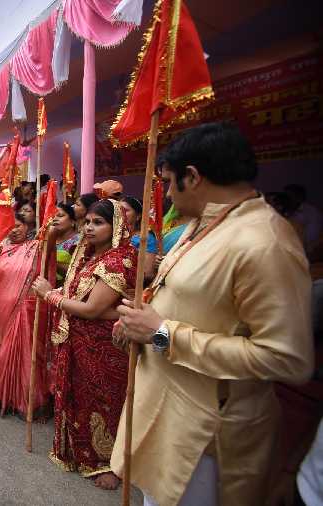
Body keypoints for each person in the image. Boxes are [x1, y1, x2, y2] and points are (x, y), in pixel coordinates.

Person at [112, 122, 313, 506]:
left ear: (193, 176)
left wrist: (163, 334)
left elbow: (288, 359)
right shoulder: (202, 225)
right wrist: (139, 322)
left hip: (206, 433)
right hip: (165, 411)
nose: (168, 194)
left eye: (170, 183)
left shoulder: (264, 241)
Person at [31, 198, 136, 489]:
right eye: (87, 221)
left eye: (98, 222)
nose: (89, 228)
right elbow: (81, 301)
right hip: (79, 340)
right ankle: (80, 453)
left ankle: (110, 465)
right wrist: (58, 294)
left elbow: (91, 310)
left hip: (103, 348)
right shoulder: (91, 256)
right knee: (79, 397)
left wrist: (49, 296)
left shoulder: (118, 259)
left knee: (105, 402)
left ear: (116, 227)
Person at [0, 210, 52, 417]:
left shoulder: (36, 247)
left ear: (27, 227)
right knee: (6, 351)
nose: (14, 230)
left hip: (25, 309)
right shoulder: (2, 249)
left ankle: (27, 401)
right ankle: (7, 397)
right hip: (3, 308)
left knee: (25, 354)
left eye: (18, 225)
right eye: (10, 227)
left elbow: (51, 240)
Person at [120, 196, 158, 278]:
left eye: (125, 210)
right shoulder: (115, 236)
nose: (120, 213)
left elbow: (148, 273)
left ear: (138, 216)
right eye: (118, 210)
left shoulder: (146, 238)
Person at [284, 183, 322, 251]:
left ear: (299, 197)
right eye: (285, 196)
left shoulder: (311, 212)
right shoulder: (285, 209)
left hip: (303, 248)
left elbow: (311, 236)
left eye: (289, 196)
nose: (286, 199)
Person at [53, 203, 79, 282]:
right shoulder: (46, 239)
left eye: (60, 216)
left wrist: (53, 262)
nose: (54, 219)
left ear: (72, 222)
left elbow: (77, 272)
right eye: (52, 216)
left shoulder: (79, 241)